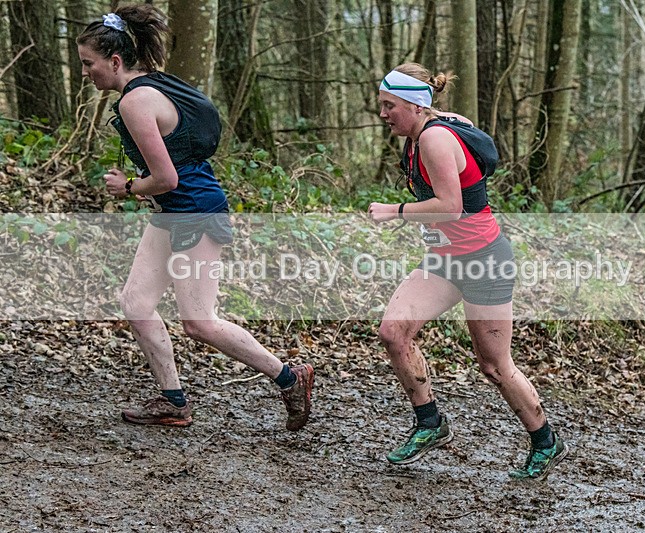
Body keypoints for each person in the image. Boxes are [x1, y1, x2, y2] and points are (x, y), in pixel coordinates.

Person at [76, 5, 313, 430]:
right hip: (174, 214)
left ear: (114, 61)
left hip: (195, 213)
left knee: (200, 322)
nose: (85, 73)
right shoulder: (154, 84)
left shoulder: (135, 101)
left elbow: (164, 178)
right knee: (136, 303)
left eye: (88, 64)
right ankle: (173, 401)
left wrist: (127, 187)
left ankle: (289, 377)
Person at [368, 63, 567, 479]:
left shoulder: (435, 139)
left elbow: (452, 205)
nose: (383, 113)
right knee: (393, 332)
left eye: (390, 105)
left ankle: (546, 442)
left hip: (483, 261)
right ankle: (430, 424)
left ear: (415, 104)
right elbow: (468, 138)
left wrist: (395, 211)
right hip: (444, 262)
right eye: (381, 104)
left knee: (494, 366)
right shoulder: (438, 125)